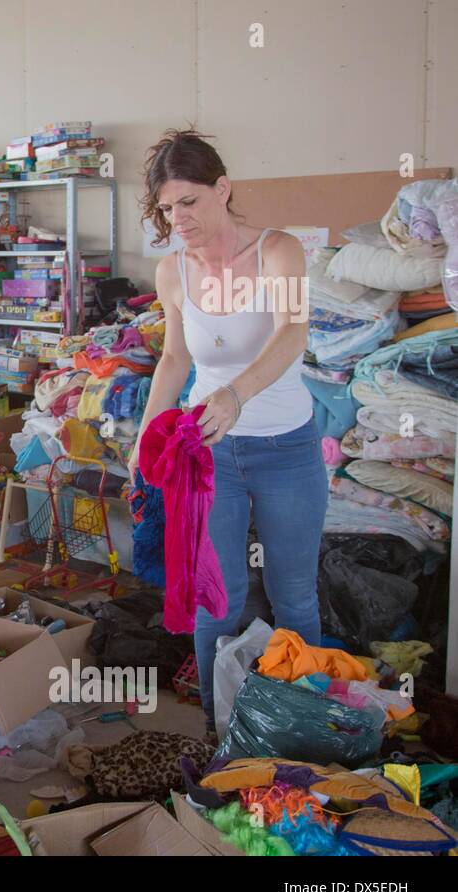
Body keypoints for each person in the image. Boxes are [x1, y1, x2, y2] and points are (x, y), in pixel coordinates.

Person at [129, 129, 323, 739]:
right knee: (217, 596)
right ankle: (221, 729)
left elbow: (294, 331)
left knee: (294, 597)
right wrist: (144, 435)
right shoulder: (172, 272)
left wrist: (237, 394)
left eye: (188, 202)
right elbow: (176, 362)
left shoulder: (278, 251)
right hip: (207, 456)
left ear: (222, 189)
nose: (177, 218)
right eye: (166, 208)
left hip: (287, 449)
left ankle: (299, 724)